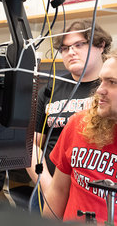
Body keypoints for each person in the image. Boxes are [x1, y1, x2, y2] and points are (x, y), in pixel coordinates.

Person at [26, 19, 112, 212]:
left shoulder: (109, 90)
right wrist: (48, 185)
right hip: (49, 191)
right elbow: (31, 144)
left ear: (100, 45)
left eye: (79, 45)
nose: (71, 52)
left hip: (96, 198)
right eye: (65, 48)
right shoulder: (50, 87)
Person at [43, 50, 117, 224]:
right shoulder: (79, 124)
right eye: (101, 81)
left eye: (112, 82)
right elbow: (58, 190)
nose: (100, 90)